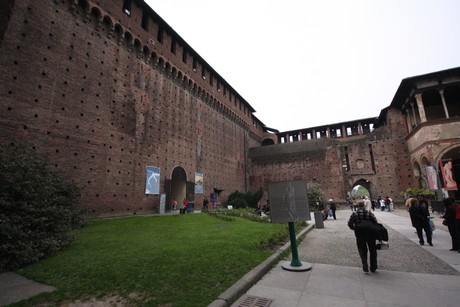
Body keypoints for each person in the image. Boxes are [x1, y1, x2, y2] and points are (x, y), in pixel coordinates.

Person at [347, 201, 379, 273]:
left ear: (357, 206)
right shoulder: (369, 213)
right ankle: (373, 266)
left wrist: (354, 228)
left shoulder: (355, 214)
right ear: (364, 205)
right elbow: (375, 222)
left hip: (360, 234)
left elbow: (349, 223)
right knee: (372, 250)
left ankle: (364, 263)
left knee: (362, 249)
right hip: (370, 234)